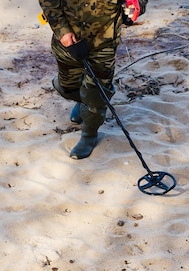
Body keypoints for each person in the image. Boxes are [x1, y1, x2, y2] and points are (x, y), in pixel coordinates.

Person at [39, 0, 148, 159]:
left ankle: (89, 134)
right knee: (66, 87)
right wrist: (62, 31)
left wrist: (136, 5)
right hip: (68, 42)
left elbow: (138, 3)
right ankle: (82, 100)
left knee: (96, 95)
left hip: (104, 43)